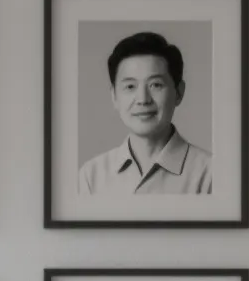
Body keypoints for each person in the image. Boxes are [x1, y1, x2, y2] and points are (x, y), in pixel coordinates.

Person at [77, 31, 213, 195]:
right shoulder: (91, 176)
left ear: (178, 92)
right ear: (114, 96)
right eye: (130, 86)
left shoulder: (211, 173)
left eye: (155, 85)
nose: (143, 99)